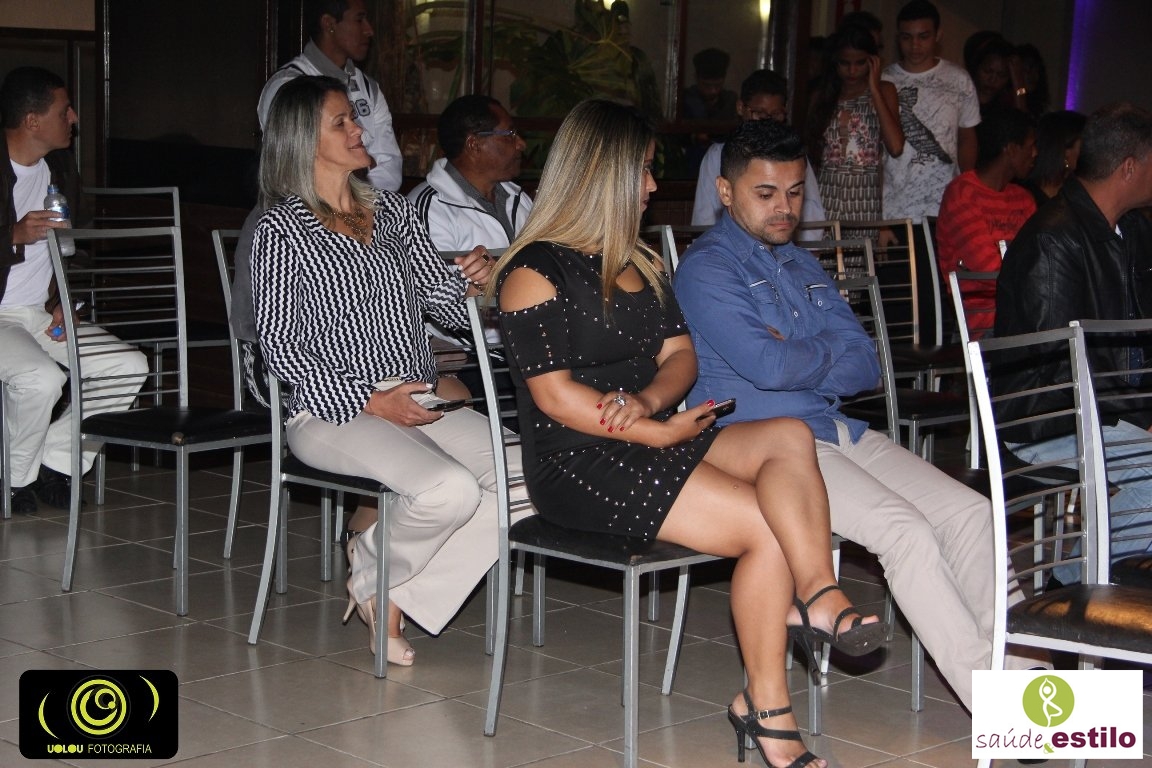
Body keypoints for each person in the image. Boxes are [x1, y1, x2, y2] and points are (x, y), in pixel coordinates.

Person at [492, 99, 887, 768]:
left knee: (787, 433)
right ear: (602, 172)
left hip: (651, 429)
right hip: (581, 462)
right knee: (763, 526)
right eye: (644, 170)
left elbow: (681, 357)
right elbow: (554, 398)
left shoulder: (638, 260)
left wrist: (649, 403)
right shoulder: (533, 272)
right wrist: (652, 433)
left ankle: (818, 591)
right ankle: (766, 709)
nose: (653, 185)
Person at [675, 117, 1022, 712]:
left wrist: (798, 351)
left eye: (794, 192)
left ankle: (1020, 673)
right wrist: (817, 352)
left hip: (838, 430)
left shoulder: (802, 264)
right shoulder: (708, 269)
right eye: (766, 193)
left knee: (972, 514)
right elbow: (769, 369)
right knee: (906, 533)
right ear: (726, 192)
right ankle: (1002, 708)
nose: (784, 208)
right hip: (768, 448)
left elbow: (866, 365)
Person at [250, 75, 520, 665]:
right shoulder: (282, 230)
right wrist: (373, 400)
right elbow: (281, 350)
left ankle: (384, 582)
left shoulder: (391, 211)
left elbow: (440, 303)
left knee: (527, 483)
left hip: (416, 396)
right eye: (342, 121)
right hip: (332, 408)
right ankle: (382, 578)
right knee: (449, 490)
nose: (359, 129)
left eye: (355, 117)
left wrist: (469, 283)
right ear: (305, 140)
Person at [996, 102, 1152, 584]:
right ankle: (1068, 586)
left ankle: (1095, 586)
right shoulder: (1053, 239)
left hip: (1112, 408)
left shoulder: (1133, 230)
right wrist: (1143, 418)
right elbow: (1058, 367)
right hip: (1046, 417)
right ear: (1130, 168)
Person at [0, 67, 148, 515]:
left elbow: (74, 249)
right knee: (42, 377)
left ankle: (58, 461)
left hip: (41, 314)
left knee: (128, 366)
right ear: (32, 120)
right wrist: (12, 236)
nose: (74, 118)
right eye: (65, 110)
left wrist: (68, 301)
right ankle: (13, 479)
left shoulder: (62, 169)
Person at [257, 0, 402, 192]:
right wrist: (366, 163)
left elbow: (391, 168)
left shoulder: (368, 87)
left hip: (366, 207)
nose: (369, 30)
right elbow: (295, 171)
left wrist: (354, 181)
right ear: (329, 23)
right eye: (359, 20)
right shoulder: (287, 87)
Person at [936, 106, 1037, 339]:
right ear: (1011, 149)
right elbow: (988, 270)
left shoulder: (1023, 199)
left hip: (1025, 317)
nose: (1035, 153)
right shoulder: (963, 193)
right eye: (1031, 145)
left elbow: (1040, 259)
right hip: (983, 326)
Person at [692, 69, 826, 233]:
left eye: (775, 114)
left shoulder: (792, 154)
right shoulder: (718, 155)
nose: (767, 122)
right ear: (741, 107)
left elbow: (812, 216)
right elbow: (704, 217)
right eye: (760, 114)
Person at [881, 0, 980, 222]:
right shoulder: (884, 80)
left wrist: (967, 186)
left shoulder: (958, 79)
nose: (915, 45)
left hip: (944, 205)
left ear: (938, 35)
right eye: (907, 37)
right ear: (898, 38)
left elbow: (967, 138)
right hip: (894, 207)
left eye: (923, 37)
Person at [806, 23, 904, 233]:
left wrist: (874, 89)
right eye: (844, 63)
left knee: (862, 254)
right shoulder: (821, 95)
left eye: (860, 63)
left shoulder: (885, 91)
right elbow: (810, 154)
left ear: (873, 61)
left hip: (865, 200)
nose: (852, 71)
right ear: (835, 61)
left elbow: (896, 147)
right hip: (824, 197)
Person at [407, 95, 532, 256]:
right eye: (510, 134)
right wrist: (487, 266)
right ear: (474, 145)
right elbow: (436, 273)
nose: (521, 144)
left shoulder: (518, 198)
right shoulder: (429, 209)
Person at [1021, 110, 1086, 207]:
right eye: (1084, 145)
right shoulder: (1024, 197)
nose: (1089, 151)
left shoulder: (1077, 193)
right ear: (1065, 152)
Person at [681, 48, 738, 122]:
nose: (713, 91)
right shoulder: (685, 100)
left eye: (718, 85)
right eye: (706, 85)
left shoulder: (730, 101)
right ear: (696, 78)